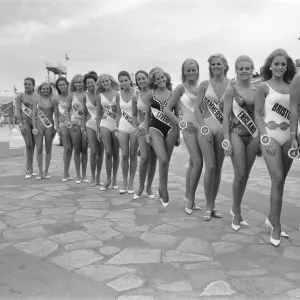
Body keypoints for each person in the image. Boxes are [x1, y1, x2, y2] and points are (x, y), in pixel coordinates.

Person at [255, 49, 296, 246]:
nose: (280, 67)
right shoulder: (263, 87)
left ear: (287, 67)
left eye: (283, 64)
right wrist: (263, 136)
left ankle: (271, 219)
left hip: (289, 137)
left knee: (280, 181)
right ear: (270, 65)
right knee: (277, 178)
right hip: (270, 136)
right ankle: (277, 225)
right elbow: (256, 113)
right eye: (276, 63)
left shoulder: (292, 87)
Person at [195, 53, 233, 221]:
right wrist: (203, 126)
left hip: (224, 129)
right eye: (212, 65)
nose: (215, 67)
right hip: (206, 127)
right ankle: (207, 206)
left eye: (218, 64)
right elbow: (197, 108)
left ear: (225, 65)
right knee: (209, 166)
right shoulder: (204, 84)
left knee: (218, 168)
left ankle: (213, 205)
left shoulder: (232, 85)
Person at [223, 55, 259, 231]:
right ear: (236, 71)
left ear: (253, 70)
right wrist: (226, 140)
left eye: (248, 68)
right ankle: (236, 213)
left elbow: (261, 115)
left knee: (246, 175)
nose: (244, 71)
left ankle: (235, 207)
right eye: (241, 68)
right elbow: (225, 117)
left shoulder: (258, 90)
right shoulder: (231, 90)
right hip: (236, 133)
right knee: (240, 174)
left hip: (253, 136)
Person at [164, 59, 203, 214]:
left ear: (198, 71)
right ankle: (191, 199)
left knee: (193, 163)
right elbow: (167, 110)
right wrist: (182, 124)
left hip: (201, 128)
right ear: (183, 72)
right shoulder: (181, 88)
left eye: (194, 70)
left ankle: (188, 196)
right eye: (188, 70)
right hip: (188, 129)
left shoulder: (201, 89)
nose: (191, 73)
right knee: (198, 163)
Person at [144, 68, 179, 207]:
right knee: (162, 159)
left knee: (166, 162)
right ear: (154, 81)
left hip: (171, 129)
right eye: (158, 78)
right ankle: (164, 191)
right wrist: (146, 132)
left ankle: (161, 188)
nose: (161, 80)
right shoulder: (150, 95)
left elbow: (177, 115)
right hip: (154, 129)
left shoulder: (173, 94)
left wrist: (179, 135)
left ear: (166, 78)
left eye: (162, 77)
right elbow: (147, 115)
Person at [132, 70, 157, 199]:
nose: (141, 81)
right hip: (142, 128)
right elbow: (134, 115)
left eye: (143, 78)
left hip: (156, 128)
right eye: (139, 79)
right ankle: (141, 187)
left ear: (148, 79)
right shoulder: (135, 97)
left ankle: (149, 187)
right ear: (136, 81)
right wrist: (136, 128)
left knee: (153, 159)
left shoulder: (154, 93)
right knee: (144, 158)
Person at [95, 73, 120, 191]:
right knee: (108, 152)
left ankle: (114, 179)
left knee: (116, 152)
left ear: (111, 81)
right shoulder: (100, 96)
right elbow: (98, 114)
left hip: (117, 124)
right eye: (103, 82)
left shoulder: (118, 93)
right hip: (104, 124)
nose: (105, 83)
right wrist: (97, 130)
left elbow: (121, 112)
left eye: (107, 81)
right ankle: (108, 179)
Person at [115, 71, 138, 194]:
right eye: (121, 81)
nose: (123, 83)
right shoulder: (118, 95)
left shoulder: (137, 93)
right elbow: (119, 113)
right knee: (124, 155)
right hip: (123, 125)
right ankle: (124, 182)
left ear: (130, 80)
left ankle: (131, 182)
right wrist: (116, 127)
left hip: (134, 127)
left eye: (125, 80)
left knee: (133, 155)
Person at [32, 82, 59, 179]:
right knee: (39, 148)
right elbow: (34, 114)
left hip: (49, 126)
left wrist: (56, 127)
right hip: (39, 126)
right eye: (44, 89)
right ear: (40, 90)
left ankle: (46, 171)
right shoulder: (36, 100)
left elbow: (56, 115)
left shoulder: (53, 100)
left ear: (50, 90)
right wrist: (34, 127)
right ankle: (40, 171)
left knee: (48, 149)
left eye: (47, 89)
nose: (45, 90)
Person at [65, 74, 89, 184]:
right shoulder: (71, 95)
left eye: (80, 82)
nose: (78, 84)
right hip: (74, 124)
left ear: (84, 83)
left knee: (85, 149)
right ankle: (78, 174)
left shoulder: (89, 94)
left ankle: (84, 174)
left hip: (86, 124)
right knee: (77, 149)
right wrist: (67, 121)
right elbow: (67, 110)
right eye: (76, 82)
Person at [82, 71, 104, 187]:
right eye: (88, 83)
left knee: (101, 152)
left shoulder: (102, 94)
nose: (90, 85)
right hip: (90, 124)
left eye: (92, 82)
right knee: (93, 152)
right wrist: (83, 127)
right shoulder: (85, 97)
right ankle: (92, 176)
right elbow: (84, 114)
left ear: (96, 82)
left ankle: (99, 176)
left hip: (103, 124)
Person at [15, 77, 39, 178]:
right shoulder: (20, 96)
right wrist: (20, 123)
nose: (27, 86)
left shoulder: (37, 97)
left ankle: (30, 167)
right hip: (25, 123)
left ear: (33, 85)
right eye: (25, 84)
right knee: (28, 144)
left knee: (33, 145)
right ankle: (28, 169)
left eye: (29, 84)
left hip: (35, 124)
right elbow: (18, 110)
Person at [55, 77, 73, 182]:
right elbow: (56, 115)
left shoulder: (73, 96)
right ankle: (65, 173)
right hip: (63, 125)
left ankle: (79, 174)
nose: (62, 86)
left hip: (74, 124)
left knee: (74, 149)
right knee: (67, 149)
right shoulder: (56, 99)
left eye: (63, 84)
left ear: (67, 84)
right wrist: (57, 127)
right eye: (59, 85)